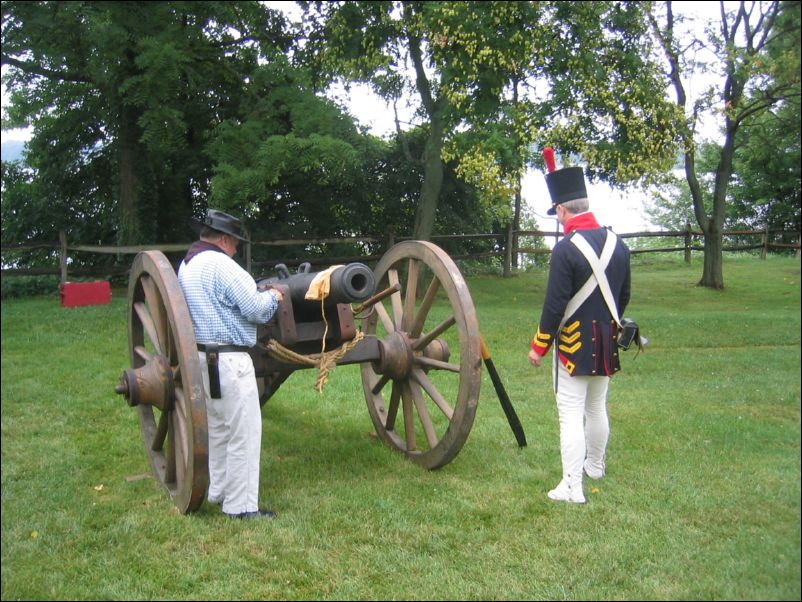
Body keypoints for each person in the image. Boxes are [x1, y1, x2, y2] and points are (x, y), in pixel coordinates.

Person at [528, 164, 631, 504]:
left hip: (573, 344)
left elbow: (554, 307)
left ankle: (572, 487)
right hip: (607, 341)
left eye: (556, 214)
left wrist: (539, 346)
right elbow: (624, 296)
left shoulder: (565, 249)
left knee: (570, 415)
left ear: (562, 210)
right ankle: (595, 466)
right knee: (597, 407)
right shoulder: (618, 244)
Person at [178, 209, 284, 520]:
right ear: (224, 240)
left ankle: (219, 490)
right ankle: (241, 507)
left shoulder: (188, 265)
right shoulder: (222, 265)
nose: (236, 249)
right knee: (244, 432)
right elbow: (255, 310)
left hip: (201, 358)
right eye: (236, 243)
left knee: (219, 428)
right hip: (230, 361)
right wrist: (275, 297)